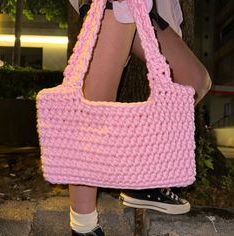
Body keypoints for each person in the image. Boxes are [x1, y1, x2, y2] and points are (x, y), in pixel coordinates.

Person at [68, 0, 212, 235]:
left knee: (194, 80)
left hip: (142, 6)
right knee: (95, 108)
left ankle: (140, 183)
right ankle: (83, 225)